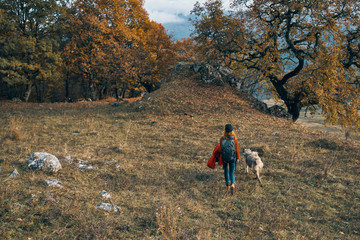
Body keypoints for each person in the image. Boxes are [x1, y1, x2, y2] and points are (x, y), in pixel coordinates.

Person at [220, 124, 240, 195]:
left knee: (226, 171)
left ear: (225, 130)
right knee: (231, 172)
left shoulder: (222, 138)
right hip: (232, 158)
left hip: (224, 158)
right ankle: (232, 184)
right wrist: (238, 158)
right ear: (232, 130)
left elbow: (221, 149)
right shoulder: (234, 138)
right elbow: (237, 149)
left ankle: (227, 185)